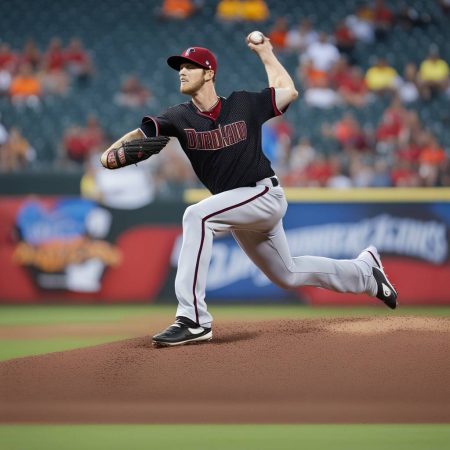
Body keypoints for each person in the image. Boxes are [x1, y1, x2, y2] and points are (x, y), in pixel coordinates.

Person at [100, 35, 398, 347]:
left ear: (209, 73)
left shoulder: (243, 104)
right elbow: (142, 133)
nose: (182, 72)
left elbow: (289, 91)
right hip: (238, 209)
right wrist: (109, 154)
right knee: (288, 274)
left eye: (190, 66)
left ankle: (193, 319)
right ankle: (366, 273)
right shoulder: (178, 116)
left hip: (264, 195)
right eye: (180, 67)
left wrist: (266, 52)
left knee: (197, 215)